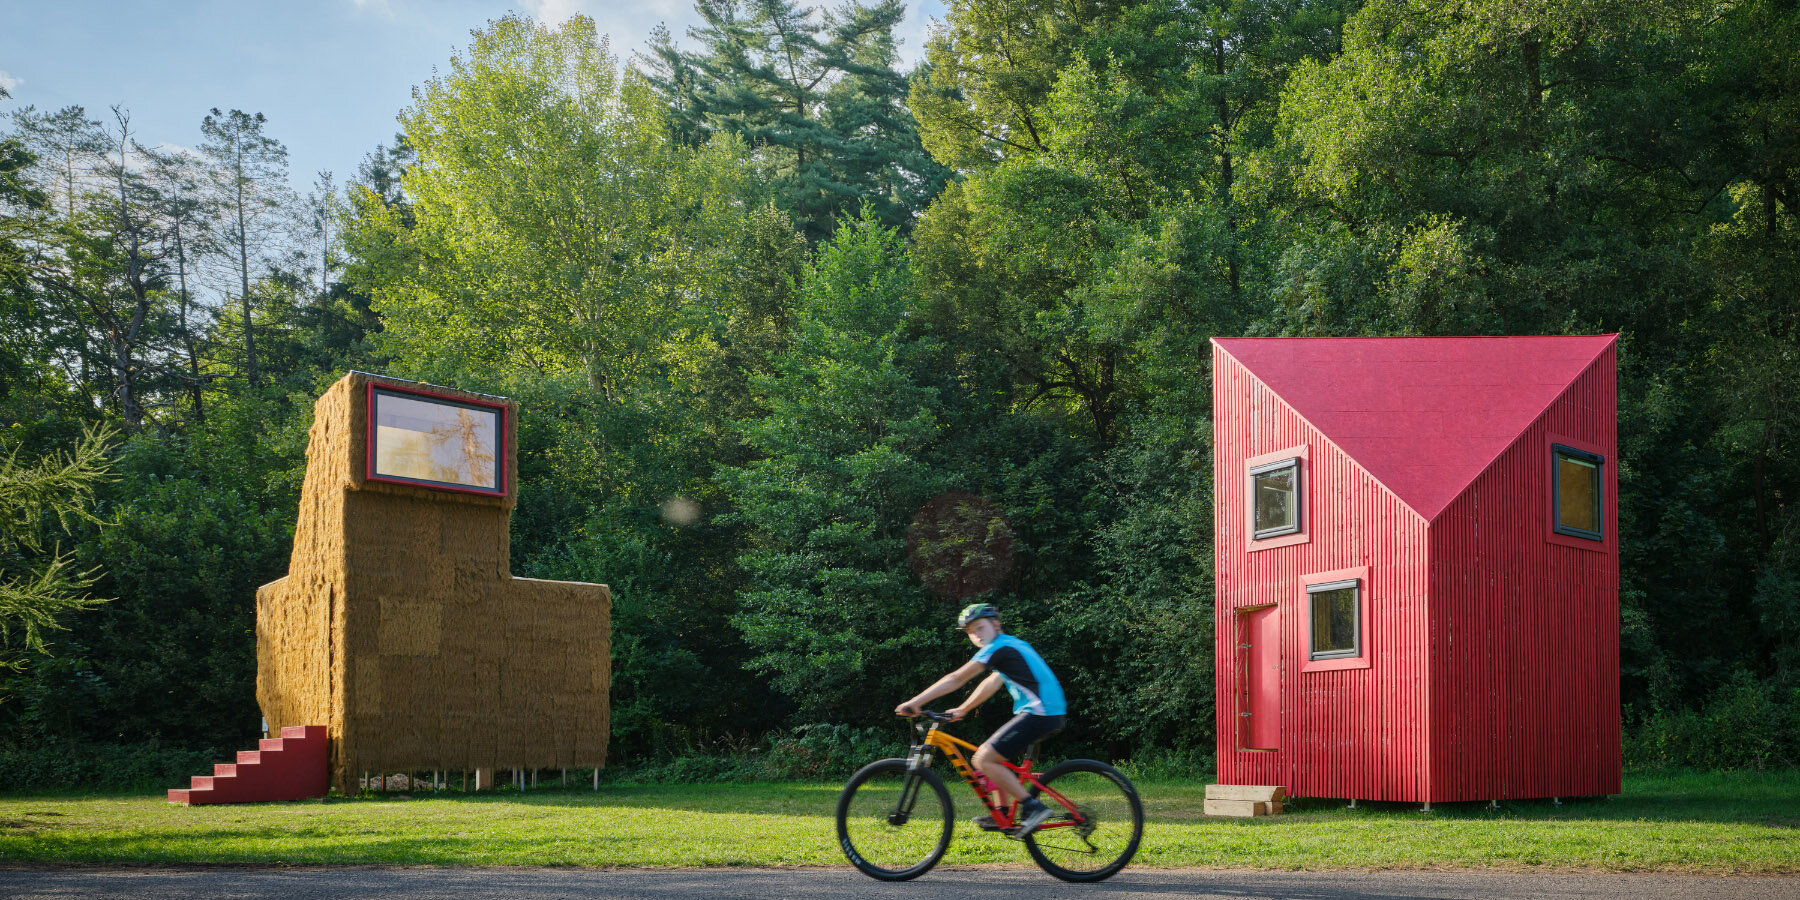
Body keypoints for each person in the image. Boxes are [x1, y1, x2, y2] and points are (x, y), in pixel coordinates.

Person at [895, 602, 1067, 838]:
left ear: (995, 624)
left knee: (983, 759)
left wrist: (916, 702)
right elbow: (992, 682)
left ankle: (1033, 807)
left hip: (1039, 712)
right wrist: (964, 708)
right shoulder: (1011, 645)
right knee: (989, 755)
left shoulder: (999, 647)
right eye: (970, 631)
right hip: (1046, 712)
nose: (976, 634)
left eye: (979, 627)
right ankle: (1002, 812)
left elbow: (956, 679)